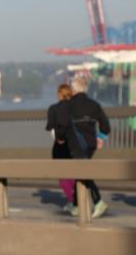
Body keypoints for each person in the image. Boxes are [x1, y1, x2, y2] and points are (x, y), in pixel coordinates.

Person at [52, 75, 110, 218]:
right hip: (91, 145)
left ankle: (98, 202)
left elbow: (61, 128)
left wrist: (60, 138)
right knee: (80, 173)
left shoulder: (68, 106)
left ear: (74, 89)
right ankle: (77, 205)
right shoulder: (94, 105)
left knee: (83, 173)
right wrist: (100, 138)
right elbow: (105, 126)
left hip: (76, 145)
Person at [45, 83, 76, 211]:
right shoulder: (75, 108)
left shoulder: (53, 108)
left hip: (59, 145)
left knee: (63, 175)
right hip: (74, 145)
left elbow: (49, 126)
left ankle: (73, 200)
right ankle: (78, 198)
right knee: (74, 173)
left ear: (59, 94)